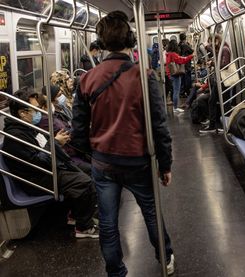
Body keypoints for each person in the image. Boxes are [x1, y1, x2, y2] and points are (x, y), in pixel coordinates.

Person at [71, 10, 175, 276]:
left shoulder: (86, 79)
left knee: (107, 221)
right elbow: (158, 125)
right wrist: (165, 164)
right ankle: (165, 258)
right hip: (137, 160)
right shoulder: (144, 75)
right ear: (131, 42)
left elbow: (78, 128)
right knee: (151, 212)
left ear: (102, 44)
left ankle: (116, 270)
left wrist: (91, 153)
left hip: (103, 161)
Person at [3, 87, 98, 238]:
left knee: (89, 172)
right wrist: (56, 143)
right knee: (84, 183)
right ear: (23, 113)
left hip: (47, 169)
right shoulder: (15, 136)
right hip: (36, 179)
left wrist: (60, 150)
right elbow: (38, 161)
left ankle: (76, 215)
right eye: (35, 109)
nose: (39, 112)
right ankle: (84, 227)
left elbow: (45, 150)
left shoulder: (29, 128)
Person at [199, 34, 231, 134]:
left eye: (212, 42)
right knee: (217, 102)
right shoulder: (221, 49)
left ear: (217, 40)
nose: (211, 45)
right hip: (219, 80)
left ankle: (221, 126)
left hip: (223, 80)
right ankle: (218, 125)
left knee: (219, 102)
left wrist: (212, 63)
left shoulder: (225, 49)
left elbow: (225, 65)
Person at [165, 39, 193, 113]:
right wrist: (190, 57)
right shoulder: (173, 54)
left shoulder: (168, 54)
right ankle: (175, 108)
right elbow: (181, 60)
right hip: (175, 75)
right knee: (176, 91)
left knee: (175, 91)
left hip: (171, 75)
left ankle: (175, 107)